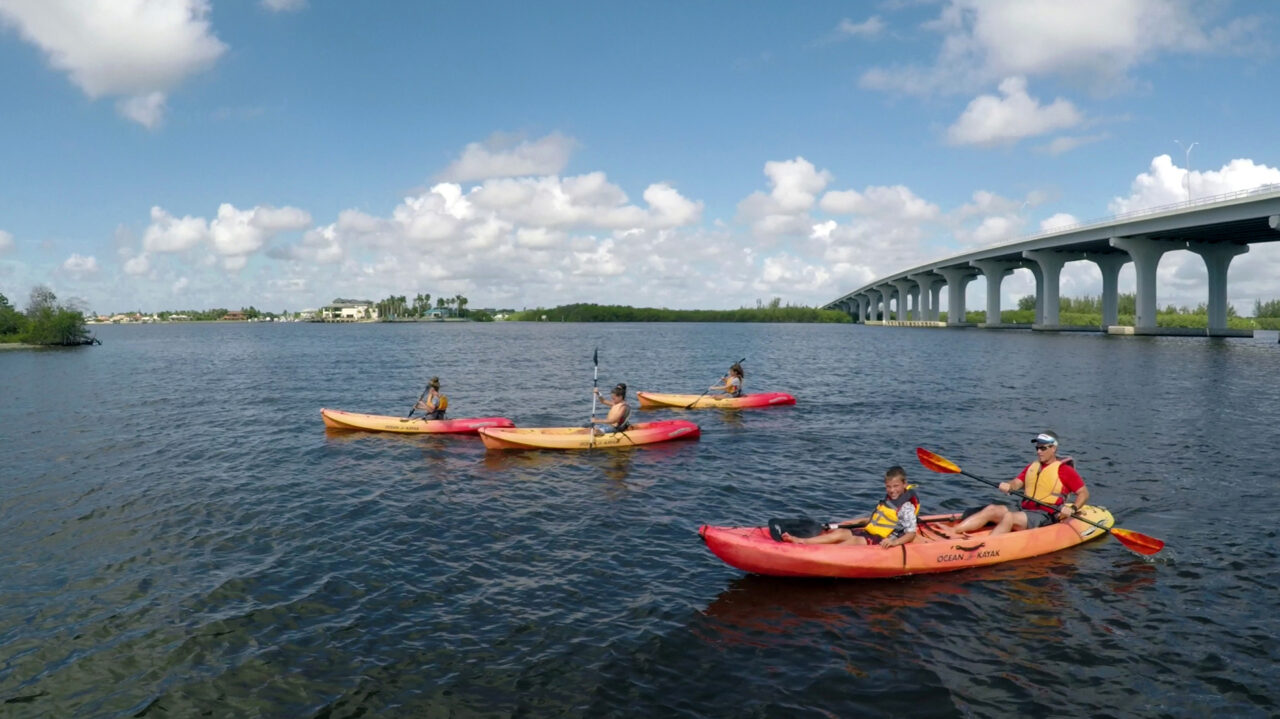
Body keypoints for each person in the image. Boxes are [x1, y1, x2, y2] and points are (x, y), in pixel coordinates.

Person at [948, 430, 1090, 538]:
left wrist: (1073, 508)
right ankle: (952, 533)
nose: (1039, 451)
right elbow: (1017, 482)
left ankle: (986, 546)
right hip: (1023, 508)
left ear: (1053, 448)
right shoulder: (1032, 467)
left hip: (1045, 514)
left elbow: (1083, 493)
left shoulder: (1065, 470)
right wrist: (1009, 486)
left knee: (1009, 517)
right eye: (1037, 448)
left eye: (1043, 448)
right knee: (992, 508)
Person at [781, 466, 919, 549]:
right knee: (840, 533)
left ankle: (816, 554)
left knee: (852, 541)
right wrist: (852, 523)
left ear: (904, 484)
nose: (892, 490)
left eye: (896, 486)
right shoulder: (888, 500)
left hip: (882, 539)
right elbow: (874, 520)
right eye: (888, 486)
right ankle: (802, 541)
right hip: (869, 532)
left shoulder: (906, 507)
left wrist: (894, 543)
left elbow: (911, 534)